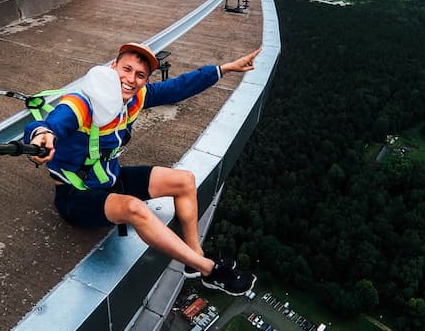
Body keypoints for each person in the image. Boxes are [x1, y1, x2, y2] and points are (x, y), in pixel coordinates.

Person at [25, 41, 260, 295]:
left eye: (140, 75)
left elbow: (177, 88)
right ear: (112, 67)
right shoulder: (82, 104)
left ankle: (195, 256)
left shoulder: (135, 99)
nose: (131, 79)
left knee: (185, 180)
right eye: (126, 69)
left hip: (111, 180)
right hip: (77, 196)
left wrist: (224, 69)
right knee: (135, 208)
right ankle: (209, 269)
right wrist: (41, 135)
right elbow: (55, 122)